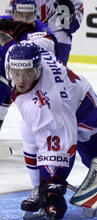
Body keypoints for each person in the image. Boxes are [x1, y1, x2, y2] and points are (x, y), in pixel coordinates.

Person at [6, 40, 97, 220]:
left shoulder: (48, 107)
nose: (21, 79)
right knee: (27, 130)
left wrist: (52, 189)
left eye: (27, 73)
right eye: (16, 73)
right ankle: (36, 188)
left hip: (89, 123)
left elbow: (61, 149)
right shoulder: (32, 50)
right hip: (68, 107)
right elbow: (46, 40)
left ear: (37, 69)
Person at [1, 0, 58, 131]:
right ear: (13, 12)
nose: (25, 18)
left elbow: (49, 44)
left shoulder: (40, 28)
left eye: (29, 14)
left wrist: (10, 41)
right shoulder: (4, 21)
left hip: (24, 75)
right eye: (21, 13)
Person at [7, 0, 83, 65]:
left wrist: (68, 15)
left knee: (54, 74)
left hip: (58, 40)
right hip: (26, 34)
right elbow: (11, 20)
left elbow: (72, 28)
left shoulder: (74, 1)